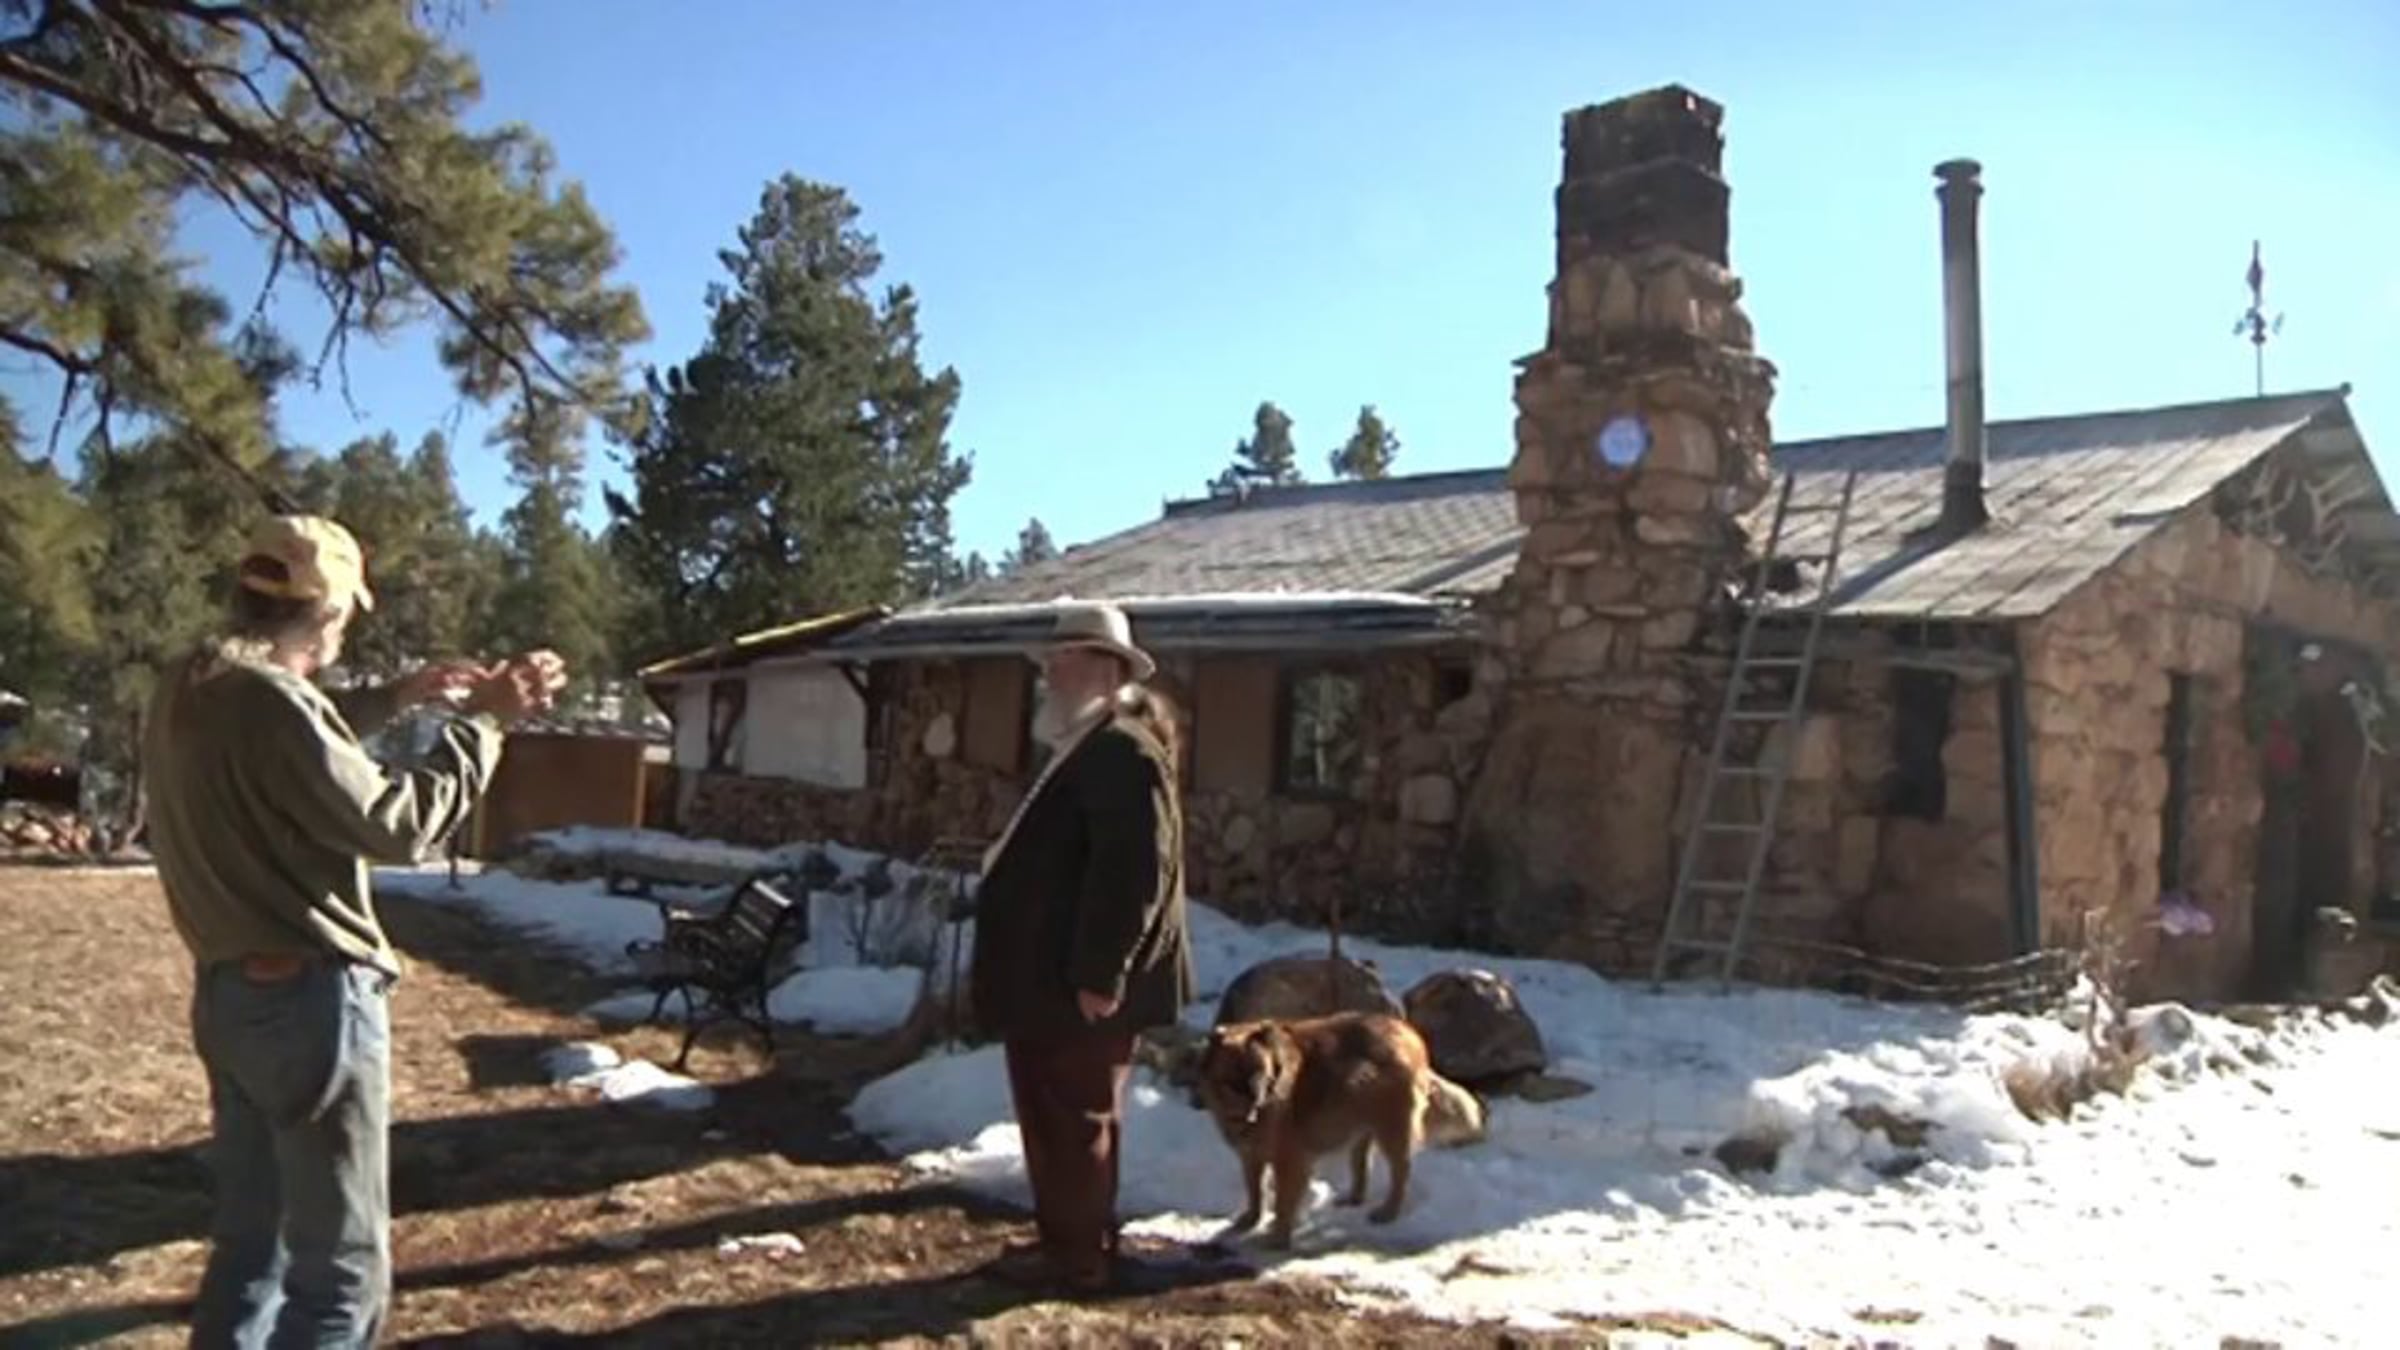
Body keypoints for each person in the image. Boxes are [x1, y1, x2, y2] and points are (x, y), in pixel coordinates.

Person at [144, 515, 565, 1347]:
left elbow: (293, 731)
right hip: (308, 1004)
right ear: (330, 612)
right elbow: (397, 826)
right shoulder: (272, 705)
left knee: (252, 1249)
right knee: (341, 1277)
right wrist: (484, 723)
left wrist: (397, 697)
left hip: (230, 997)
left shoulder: (192, 684)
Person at [969, 601, 1197, 1294]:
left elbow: (1133, 873)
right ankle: (1068, 1241)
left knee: (1074, 1120)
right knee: (1054, 1118)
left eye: (1062, 659)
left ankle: (1076, 1259)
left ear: (1105, 668)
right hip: (1048, 980)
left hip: (1079, 984)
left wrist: (1102, 973)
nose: (1049, 673)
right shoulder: (1087, 745)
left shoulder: (1123, 751)